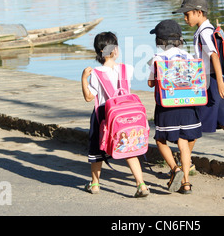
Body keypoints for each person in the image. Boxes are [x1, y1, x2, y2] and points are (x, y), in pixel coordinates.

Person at [173, 0, 224, 161]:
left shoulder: (204, 32)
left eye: (187, 14)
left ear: (198, 12)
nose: (185, 18)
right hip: (216, 80)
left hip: (211, 82)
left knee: (195, 122)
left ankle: (184, 162)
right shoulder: (206, 30)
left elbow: (214, 57)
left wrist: (218, 83)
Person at [81, 31, 150, 197]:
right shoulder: (128, 69)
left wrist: (84, 78)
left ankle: (95, 184)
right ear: (116, 50)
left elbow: (89, 97)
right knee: (130, 149)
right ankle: (141, 185)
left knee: (96, 152)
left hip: (103, 115)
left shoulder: (96, 73)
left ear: (98, 52)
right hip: (125, 115)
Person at [147, 20, 202, 194]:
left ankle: (174, 169)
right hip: (188, 105)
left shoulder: (157, 59)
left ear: (160, 40)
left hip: (167, 105)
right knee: (184, 142)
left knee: (160, 140)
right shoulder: (189, 56)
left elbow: (150, 83)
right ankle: (186, 183)